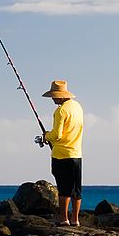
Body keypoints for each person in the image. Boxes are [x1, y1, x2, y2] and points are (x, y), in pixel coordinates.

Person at [42, 80, 83, 226]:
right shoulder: (77, 107)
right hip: (76, 154)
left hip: (61, 155)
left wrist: (46, 136)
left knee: (64, 189)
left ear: (60, 96)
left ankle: (63, 218)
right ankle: (75, 220)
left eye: (54, 96)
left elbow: (57, 135)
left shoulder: (60, 111)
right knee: (76, 189)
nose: (53, 99)